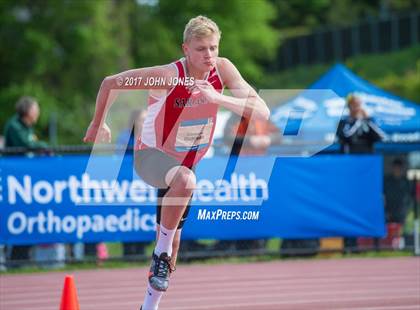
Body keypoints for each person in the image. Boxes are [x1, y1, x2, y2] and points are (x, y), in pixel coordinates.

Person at [83, 16, 270, 310]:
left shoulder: (222, 70)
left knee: (174, 245)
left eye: (213, 48)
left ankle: (149, 305)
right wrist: (98, 124)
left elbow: (262, 112)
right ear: (185, 49)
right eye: (200, 49)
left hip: (186, 163)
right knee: (184, 184)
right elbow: (110, 83)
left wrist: (218, 99)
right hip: (152, 157)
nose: (209, 55)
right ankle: (160, 253)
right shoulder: (168, 76)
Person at [3, 96, 65, 267]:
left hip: (26, 183)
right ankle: (14, 261)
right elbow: (28, 144)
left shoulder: (27, 127)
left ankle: (20, 260)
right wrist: (44, 146)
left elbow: (35, 144)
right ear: (28, 110)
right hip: (16, 183)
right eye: (35, 108)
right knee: (17, 218)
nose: (38, 111)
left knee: (27, 219)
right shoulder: (15, 126)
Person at [215, 113, 279, 252]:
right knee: (237, 208)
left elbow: (278, 136)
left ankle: (258, 243)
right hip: (239, 168)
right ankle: (234, 242)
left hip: (261, 169)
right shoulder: (234, 117)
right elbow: (228, 137)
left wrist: (268, 139)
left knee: (261, 208)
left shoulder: (265, 118)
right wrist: (250, 140)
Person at [336, 94, 386, 253]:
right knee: (348, 205)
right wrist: (358, 121)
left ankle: (370, 244)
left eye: (359, 104)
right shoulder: (344, 122)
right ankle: (348, 245)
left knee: (368, 204)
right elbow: (346, 137)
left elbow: (381, 137)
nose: (358, 108)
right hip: (349, 171)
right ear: (350, 106)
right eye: (355, 105)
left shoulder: (367, 122)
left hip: (366, 173)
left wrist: (367, 121)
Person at [383, 158, 413, 249]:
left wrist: (407, 211)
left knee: (401, 232)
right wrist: (384, 211)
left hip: (402, 212)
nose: (397, 170)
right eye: (395, 167)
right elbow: (381, 196)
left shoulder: (406, 182)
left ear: (402, 168)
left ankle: (401, 248)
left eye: (399, 168)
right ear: (392, 168)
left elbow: (410, 198)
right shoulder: (387, 181)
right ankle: (387, 247)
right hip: (388, 212)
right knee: (388, 231)